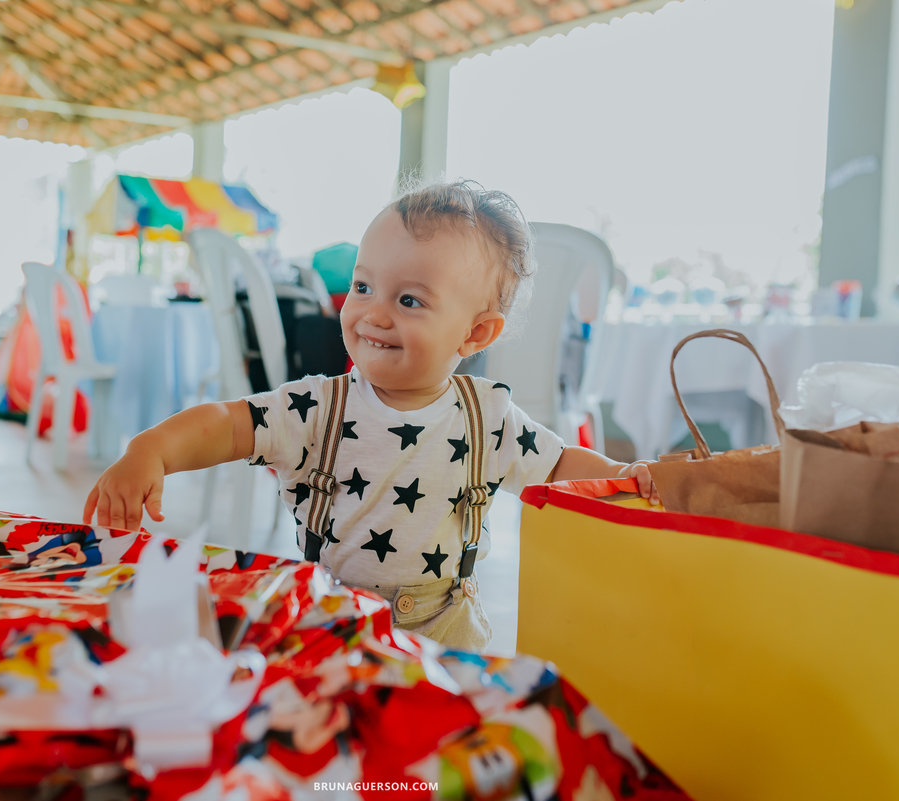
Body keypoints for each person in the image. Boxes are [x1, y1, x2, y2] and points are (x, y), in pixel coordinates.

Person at [84, 180, 656, 651]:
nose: (372, 313)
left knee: (430, 762)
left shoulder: (490, 417)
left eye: (409, 300)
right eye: (363, 286)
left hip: (448, 633)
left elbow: (561, 468)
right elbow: (225, 423)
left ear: (475, 333)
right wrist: (151, 450)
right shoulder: (316, 407)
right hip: (333, 621)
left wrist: (622, 478)